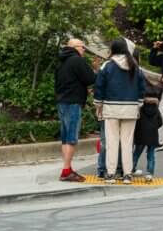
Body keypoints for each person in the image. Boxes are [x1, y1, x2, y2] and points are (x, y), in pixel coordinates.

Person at [95, 37, 144, 184]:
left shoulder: (107, 66)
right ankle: (127, 174)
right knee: (128, 143)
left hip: (111, 109)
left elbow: (99, 87)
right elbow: (141, 89)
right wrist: (138, 104)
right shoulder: (135, 66)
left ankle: (110, 174)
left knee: (111, 142)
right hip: (130, 109)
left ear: (114, 49)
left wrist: (98, 105)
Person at [54, 38, 95, 182]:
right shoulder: (77, 60)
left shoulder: (62, 62)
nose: (84, 49)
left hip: (62, 102)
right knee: (72, 138)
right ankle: (66, 171)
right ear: (75, 48)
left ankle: (68, 168)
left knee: (65, 138)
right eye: (82, 47)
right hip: (73, 102)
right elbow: (90, 78)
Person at [133, 89, 163, 183]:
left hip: (141, 135)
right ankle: (149, 174)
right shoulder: (156, 110)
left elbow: (136, 122)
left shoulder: (141, 109)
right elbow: (160, 122)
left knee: (136, 154)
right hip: (153, 136)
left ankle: (131, 169)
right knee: (151, 156)